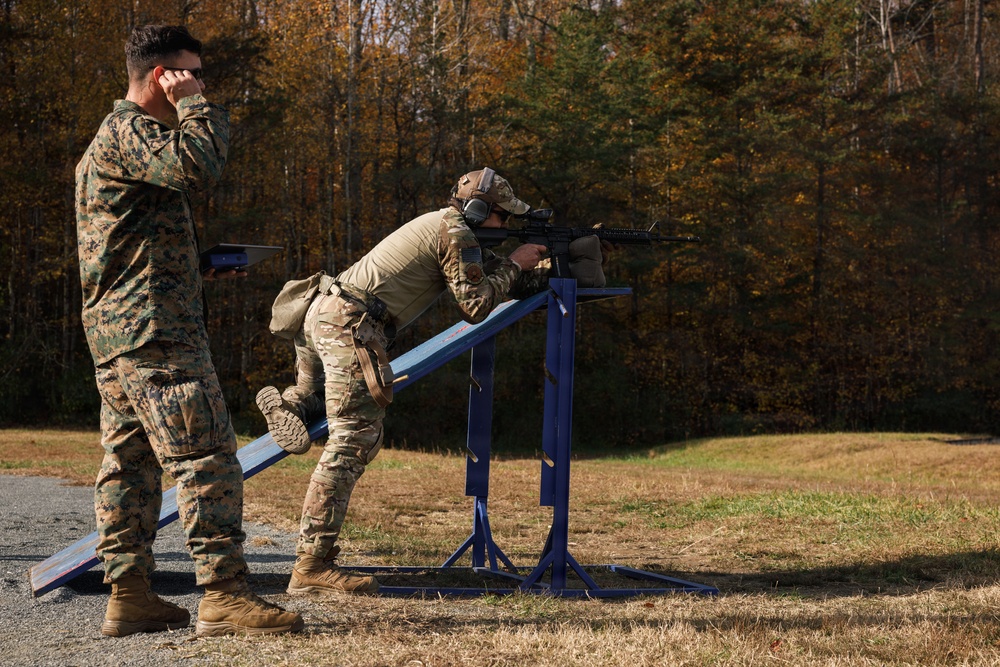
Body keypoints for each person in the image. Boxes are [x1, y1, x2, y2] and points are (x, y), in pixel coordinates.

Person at [76, 25, 303, 636]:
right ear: (162, 76)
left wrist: (196, 267)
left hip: (124, 332)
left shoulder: (118, 141)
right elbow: (199, 166)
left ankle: (129, 596)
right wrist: (193, 107)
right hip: (156, 334)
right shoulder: (132, 130)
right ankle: (224, 595)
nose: (201, 84)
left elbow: (126, 242)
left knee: (130, 465)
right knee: (205, 458)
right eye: (192, 73)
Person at [255, 168, 553, 595]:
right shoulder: (455, 233)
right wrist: (516, 261)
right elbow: (475, 304)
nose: (506, 226)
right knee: (355, 436)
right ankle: (310, 565)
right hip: (351, 327)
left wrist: (551, 268)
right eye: (502, 218)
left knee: (325, 402)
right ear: (477, 210)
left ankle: (296, 402)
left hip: (322, 313)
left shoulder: (444, 226)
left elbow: (494, 283)